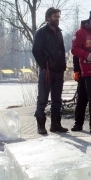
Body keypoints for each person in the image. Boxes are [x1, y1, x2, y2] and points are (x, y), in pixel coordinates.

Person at [31, 7, 68, 135]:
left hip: (58, 70)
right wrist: (44, 65)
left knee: (57, 99)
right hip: (47, 70)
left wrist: (63, 64)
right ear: (48, 18)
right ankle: (41, 125)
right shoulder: (41, 32)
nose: (57, 19)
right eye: (55, 17)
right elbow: (36, 50)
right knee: (43, 98)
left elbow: (62, 50)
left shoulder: (59, 33)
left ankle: (56, 124)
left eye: (58, 17)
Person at [71, 23, 89, 132]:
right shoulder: (80, 35)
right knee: (81, 99)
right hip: (83, 73)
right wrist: (76, 70)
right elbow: (75, 56)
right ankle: (78, 123)